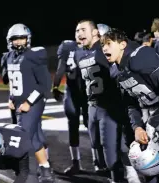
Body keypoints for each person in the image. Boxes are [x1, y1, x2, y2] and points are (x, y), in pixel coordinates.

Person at [101, 28, 159, 183]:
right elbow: (130, 103)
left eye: (109, 44)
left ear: (123, 44)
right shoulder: (116, 72)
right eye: (103, 45)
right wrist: (137, 127)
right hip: (148, 122)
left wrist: (151, 125)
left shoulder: (140, 57)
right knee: (149, 171)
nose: (104, 48)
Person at [75, 20, 141, 183]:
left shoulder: (103, 49)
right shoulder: (80, 54)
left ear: (96, 32)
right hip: (92, 107)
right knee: (97, 146)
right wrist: (84, 110)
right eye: (77, 31)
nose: (79, 33)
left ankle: (127, 176)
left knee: (112, 151)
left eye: (83, 30)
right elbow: (82, 86)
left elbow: (120, 71)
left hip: (109, 106)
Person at [1, 23, 54, 182]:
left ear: (27, 39)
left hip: (34, 101)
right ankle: (45, 169)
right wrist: (11, 98)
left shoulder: (34, 55)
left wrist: (29, 102)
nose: (18, 42)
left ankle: (24, 173)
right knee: (35, 136)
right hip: (17, 103)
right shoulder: (8, 57)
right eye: (15, 39)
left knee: (23, 137)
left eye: (21, 38)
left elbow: (45, 85)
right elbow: (11, 82)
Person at [52, 38, 88, 175]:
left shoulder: (67, 47)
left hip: (74, 91)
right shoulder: (85, 47)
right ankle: (100, 162)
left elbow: (61, 67)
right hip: (84, 91)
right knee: (92, 126)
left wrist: (55, 86)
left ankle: (77, 163)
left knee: (74, 126)